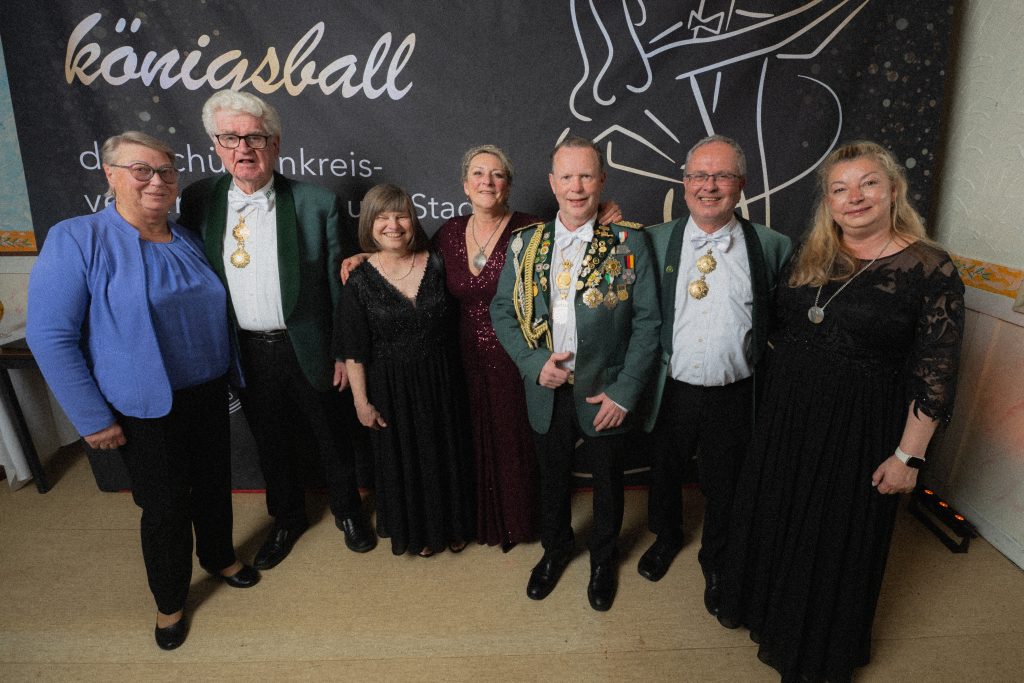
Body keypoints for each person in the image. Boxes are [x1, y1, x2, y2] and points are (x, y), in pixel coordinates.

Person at [717, 140, 965, 681]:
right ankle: (767, 613)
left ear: (893, 190)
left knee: (830, 540)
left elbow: (937, 372)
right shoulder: (812, 253)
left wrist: (908, 457)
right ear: (828, 202)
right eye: (840, 188)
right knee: (779, 518)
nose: (855, 197)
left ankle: (810, 646)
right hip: (788, 419)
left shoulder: (930, 267)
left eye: (868, 183)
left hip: (859, 429)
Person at [27, 131, 258, 651]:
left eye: (167, 172)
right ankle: (170, 600)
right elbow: (50, 335)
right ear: (110, 175)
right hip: (142, 405)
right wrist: (91, 418)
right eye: (142, 170)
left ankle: (219, 556)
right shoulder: (78, 238)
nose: (157, 181)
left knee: (214, 484)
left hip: (207, 392)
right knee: (166, 507)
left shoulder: (189, 238)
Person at [342, 145, 623, 552]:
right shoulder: (449, 233)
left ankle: (521, 523)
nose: (487, 182)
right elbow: (408, 258)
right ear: (464, 185)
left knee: (515, 444)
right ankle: (477, 521)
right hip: (459, 361)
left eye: (497, 174)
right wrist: (366, 255)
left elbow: (572, 241)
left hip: (518, 357)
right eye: (478, 173)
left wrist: (602, 214)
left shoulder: (530, 228)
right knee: (468, 443)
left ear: (508, 184)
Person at [178, 90, 374, 570]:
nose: (243, 148)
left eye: (255, 137)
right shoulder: (200, 199)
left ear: (275, 143)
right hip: (244, 348)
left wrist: (341, 352)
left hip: (309, 344)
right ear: (215, 144)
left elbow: (339, 287)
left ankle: (348, 511)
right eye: (230, 138)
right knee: (270, 440)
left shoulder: (316, 203)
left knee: (332, 434)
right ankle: (287, 518)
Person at [490, 136, 660, 611]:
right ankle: (555, 550)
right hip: (546, 387)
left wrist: (625, 392)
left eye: (586, 176)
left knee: (607, 481)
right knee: (551, 479)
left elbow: (648, 323)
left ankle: (603, 560)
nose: (577, 187)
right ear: (552, 183)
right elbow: (503, 310)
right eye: (567, 177)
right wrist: (532, 364)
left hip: (604, 389)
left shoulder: (628, 242)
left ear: (602, 181)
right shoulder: (526, 244)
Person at [639, 136, 793, 614]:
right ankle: (666, 537)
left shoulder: (772, 246)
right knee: (664, 470)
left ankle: (717, 557)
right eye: (699, 176)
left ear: (741, 184)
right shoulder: (652, 240)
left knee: (727, 481)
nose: (709, 186)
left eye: (722, 175)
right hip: (671, 387)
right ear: (684, 183)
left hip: (736, 390)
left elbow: (786, 324)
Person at [334, 184, 473, 557]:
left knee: (446, 453)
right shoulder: (359, 280)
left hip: (443, 380)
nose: (393, 225)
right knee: (407, 460)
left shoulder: (439, 262)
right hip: (390, 388)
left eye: (401, 216)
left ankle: (454, 525)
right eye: (382, 217)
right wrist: (361, 402)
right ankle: (420, 532)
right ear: (369, 224)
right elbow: (354, 350)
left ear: (413, 221)